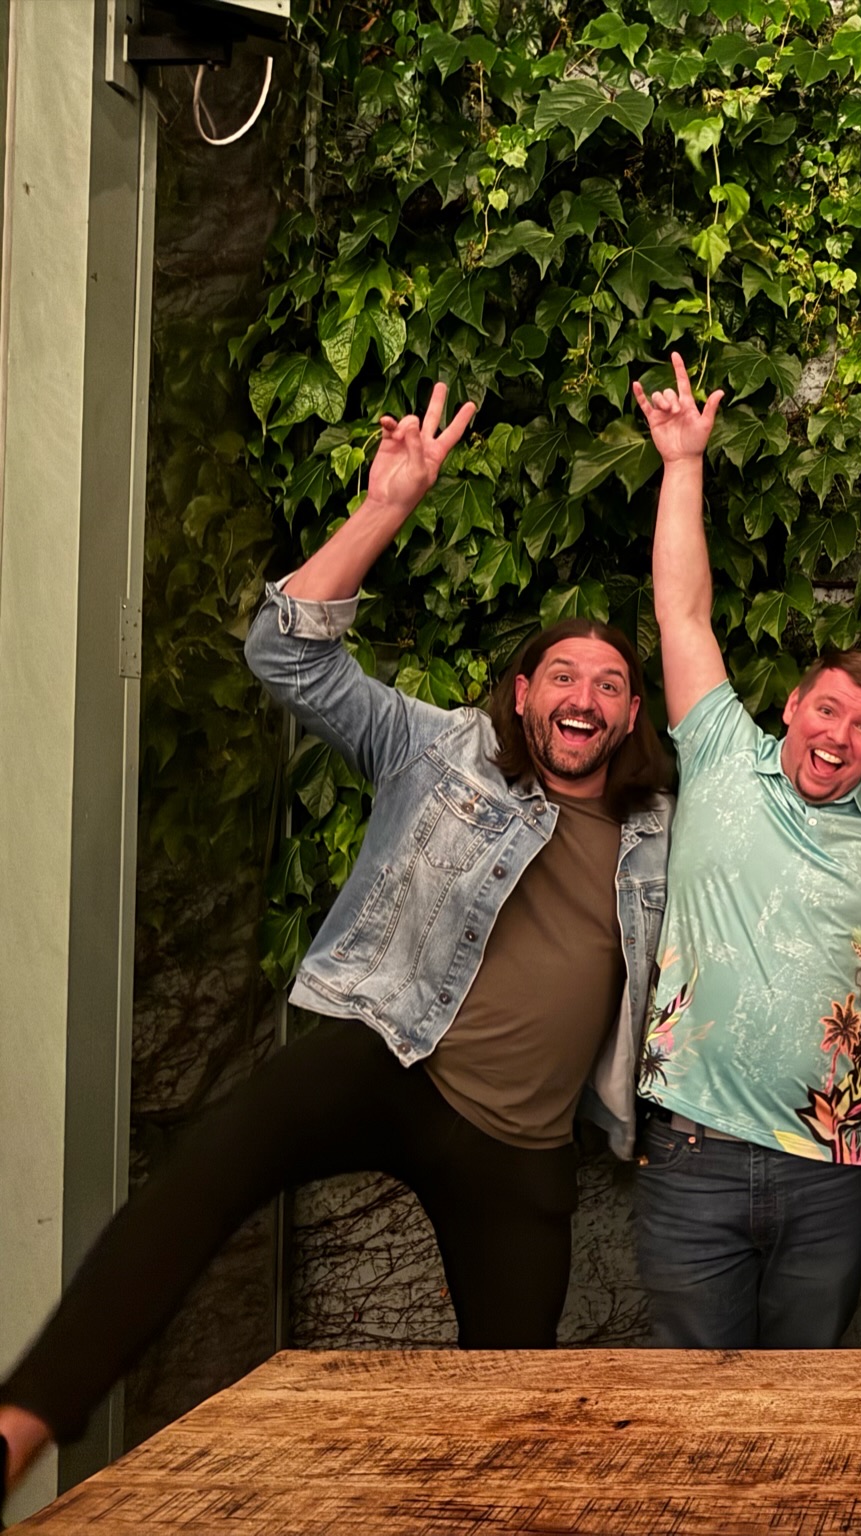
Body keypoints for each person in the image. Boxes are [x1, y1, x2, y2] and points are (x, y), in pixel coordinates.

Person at [1, 385, 676, 1493]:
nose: (585, 694)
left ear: (631, 716)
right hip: (386, 1058)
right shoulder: (443, 750)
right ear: (522, 694)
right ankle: (22, 1425)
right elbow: (287, 659)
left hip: (522, 1145)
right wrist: (388, 505)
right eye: (563, 674)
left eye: (610, 683)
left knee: (518, 1421)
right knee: (203, 1171)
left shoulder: (655, 828)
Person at [630, 354, 861, 1349]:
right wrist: (683, 464)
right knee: (687, 1419)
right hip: (693, 1151)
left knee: (808, 1418)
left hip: (828, 1170)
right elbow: (684, 613)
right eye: (827, 707)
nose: (838, 734)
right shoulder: (721, 755)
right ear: (792, 705)